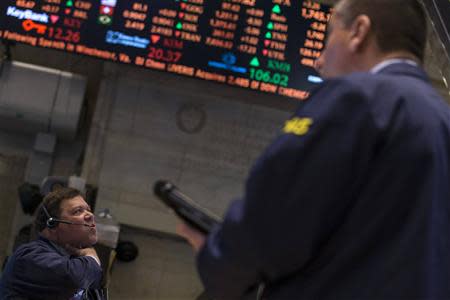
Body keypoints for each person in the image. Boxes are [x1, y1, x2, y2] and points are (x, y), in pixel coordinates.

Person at [177, 0, 450, 299]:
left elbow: (274, 222)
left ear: (358, 31)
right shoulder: (441, 119)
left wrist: (216, 255)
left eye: (329, 36)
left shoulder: (356, 98)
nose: (318, 61)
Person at [0, 187, 103, 300]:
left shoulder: (73, 259)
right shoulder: (29, 257)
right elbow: (74, 278)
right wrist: (91, 255)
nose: (90, 215)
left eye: (88, 209)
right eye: (78, 211)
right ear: (52, 224)